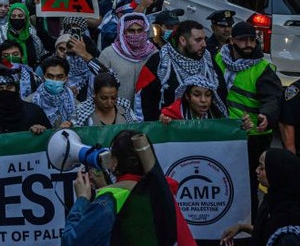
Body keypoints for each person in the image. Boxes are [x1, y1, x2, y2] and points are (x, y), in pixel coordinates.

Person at [62, 130, 195, 246]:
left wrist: (82, 199)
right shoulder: (161, 190)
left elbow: (72, 241)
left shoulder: (110, 199)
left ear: (114, 162)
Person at [214, 22, 284, 214]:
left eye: (252, 40)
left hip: (253, 136)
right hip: (225, 132)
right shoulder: (219, 59)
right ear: (231, 41)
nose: (248, 44)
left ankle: (250, 226)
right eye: (243, 40)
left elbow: (273, 98)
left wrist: (266, 115)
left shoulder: (262, 68)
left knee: (248, 186)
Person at [220, 149, 300, 246]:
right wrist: (241, 227)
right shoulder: (275, 197)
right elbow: (269, 231)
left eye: (262, 167)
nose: (257, 170)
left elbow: (279, 234)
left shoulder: (294, 216)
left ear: (276, 171)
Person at [138, 20, 221, 121]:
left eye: (204, 39)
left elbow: (221, 94)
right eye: (198, 40)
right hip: (167, 130)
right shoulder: (158, 62)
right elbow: (143, 99)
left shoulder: (208, 60)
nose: (204, 44)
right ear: (182, 40)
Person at [96, 12, 157, 116]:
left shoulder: (154, 54)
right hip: (116, 113)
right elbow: (98, 86)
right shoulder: (108, 54)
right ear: (122, 32)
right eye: (131, 31)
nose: (136, 35)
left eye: (140, 30)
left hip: (145, 114)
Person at [27, 56, 78, 128]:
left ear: (66, 78)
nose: (54, 80)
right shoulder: (31, 102)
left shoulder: (74, 104)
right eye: (50, 76)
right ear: (43, 77)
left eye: (59, 76)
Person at [72, 73, 137, 127]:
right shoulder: (81, 111)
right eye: (104, 98)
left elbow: (135, 129)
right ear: (95, 94)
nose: (109, 103)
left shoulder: (124, 108)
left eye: (113, 98)